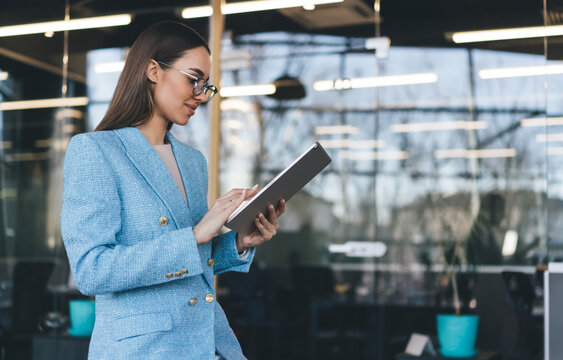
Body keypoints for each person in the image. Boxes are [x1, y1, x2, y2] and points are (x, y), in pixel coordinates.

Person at [61, 21, 285, 360]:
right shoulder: (96, 150)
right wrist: (195, 234)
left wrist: (238, 242)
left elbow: (193, 260)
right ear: (153, 70)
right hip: (142, 350)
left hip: (206, 343)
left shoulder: (193, 161)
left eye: (206, 86)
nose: (200, 95)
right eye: (193, 79)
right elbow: (91, 270)